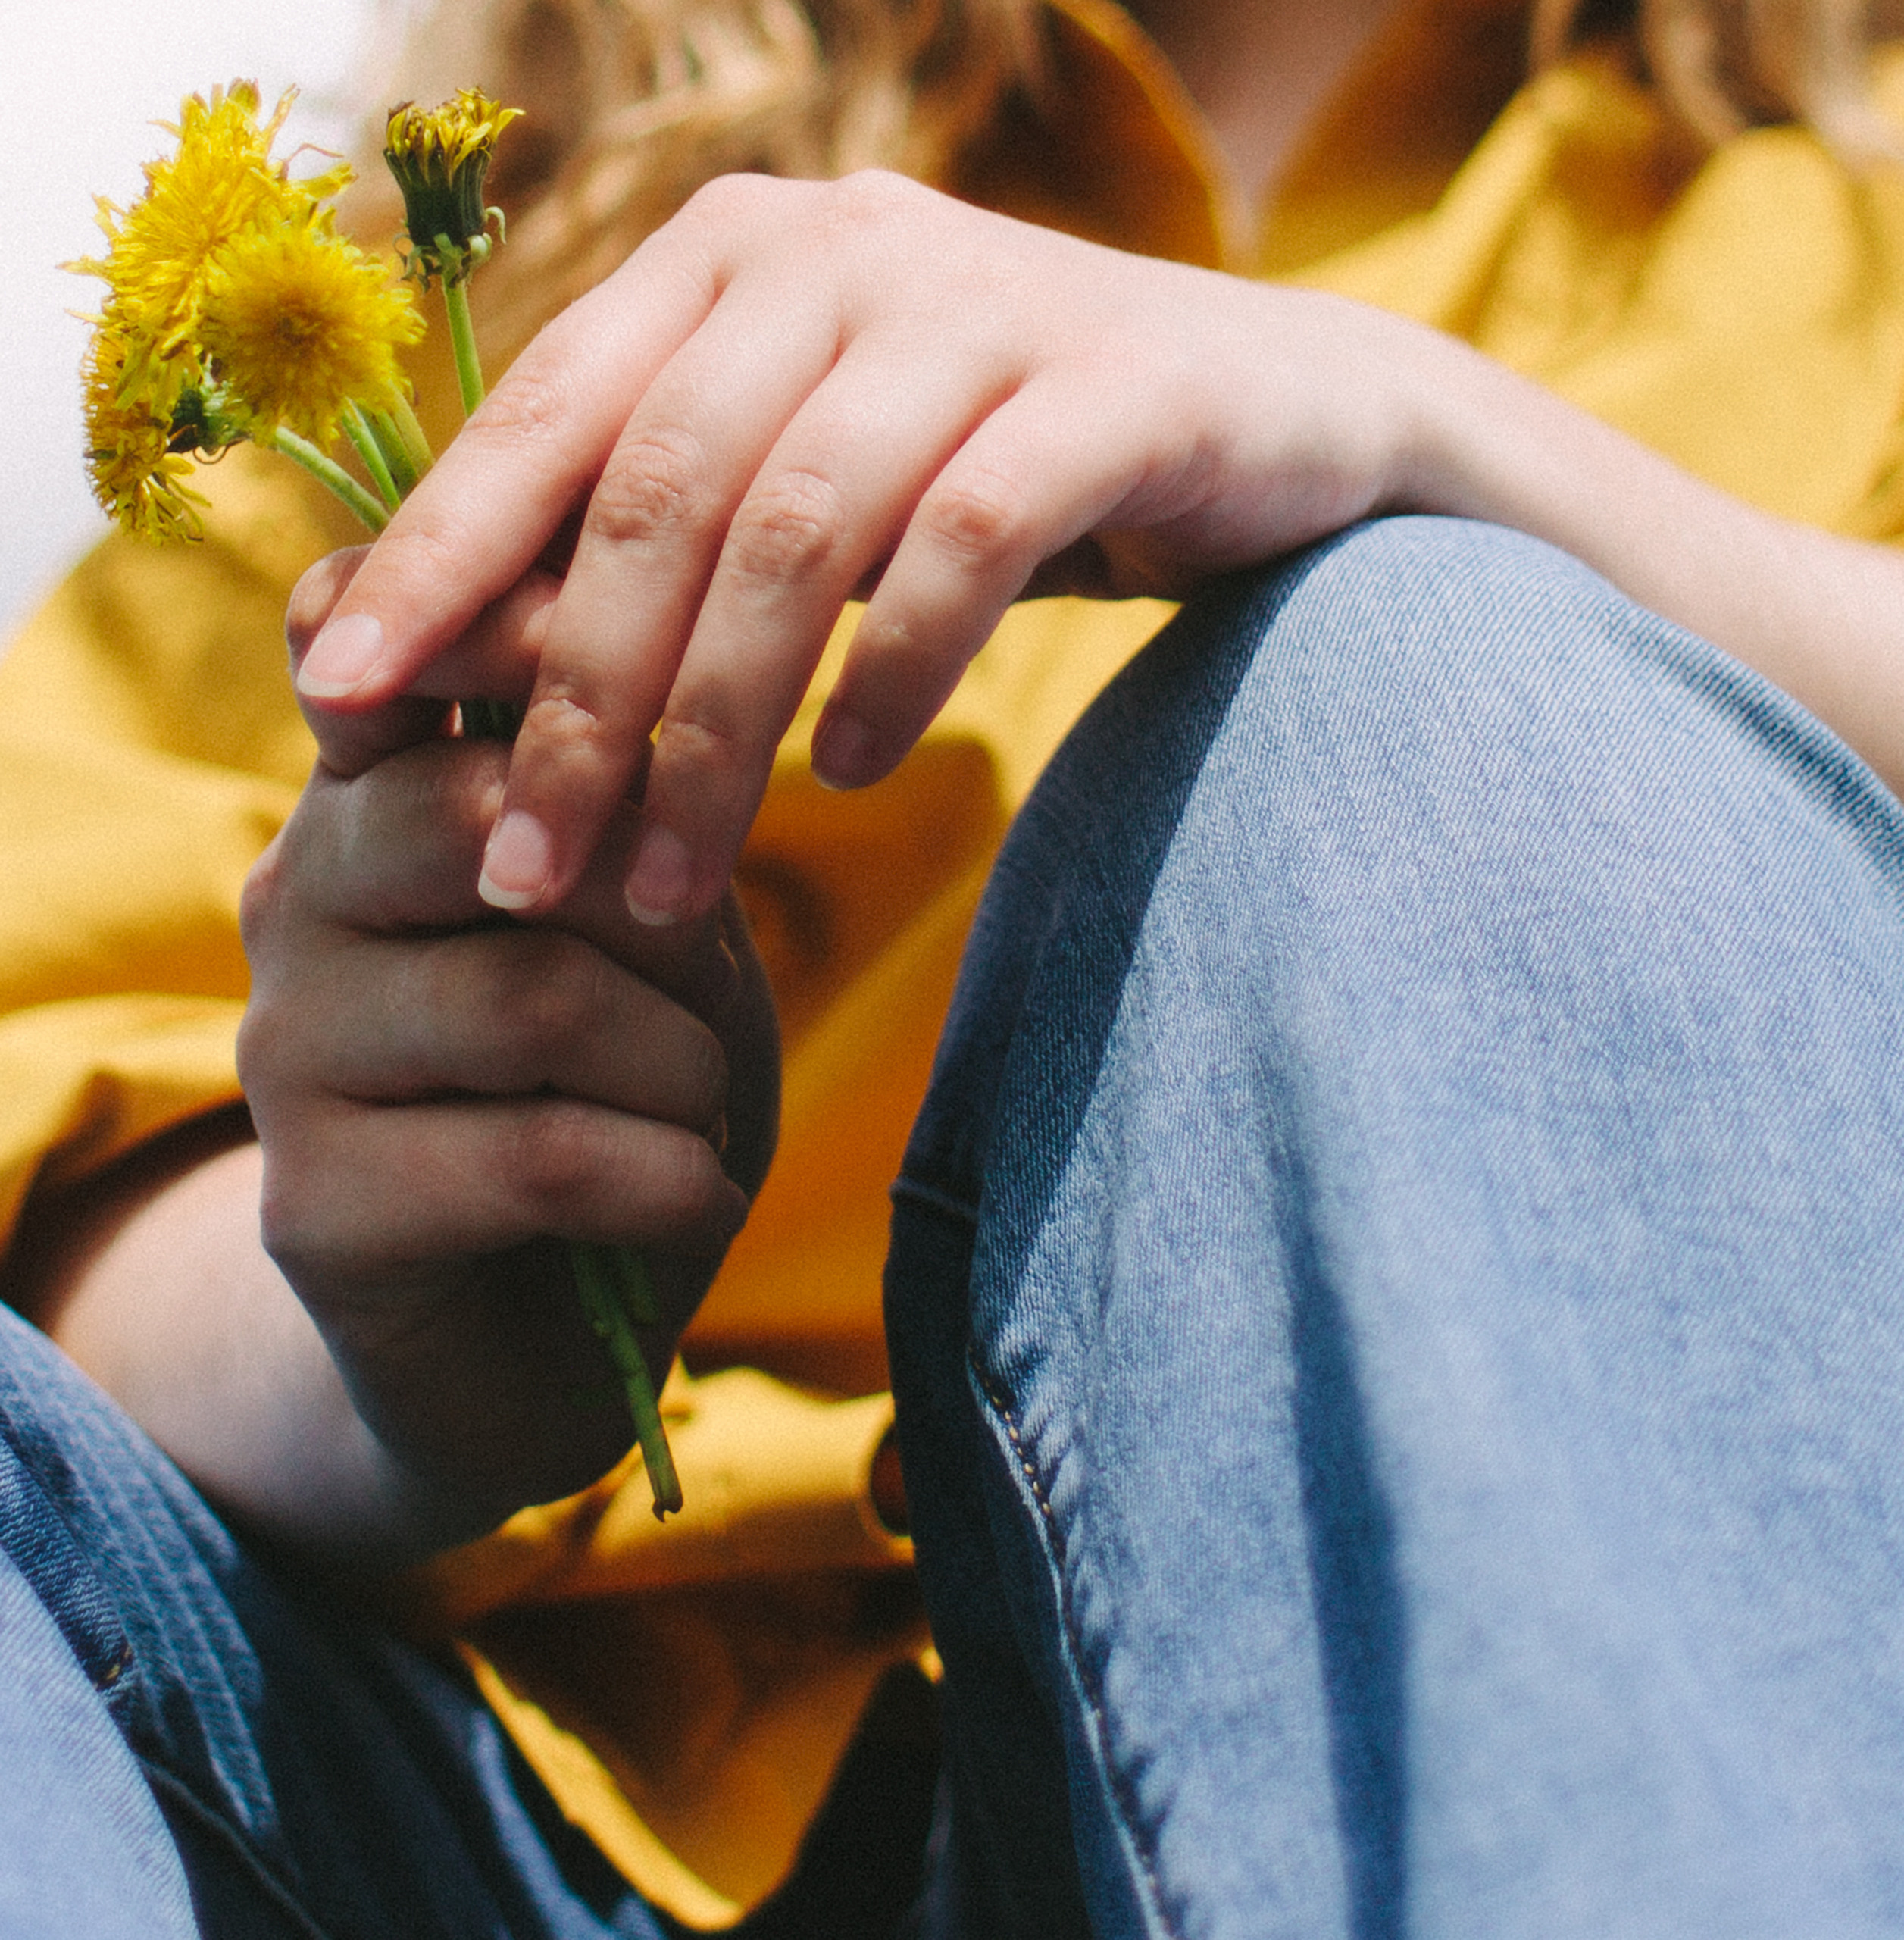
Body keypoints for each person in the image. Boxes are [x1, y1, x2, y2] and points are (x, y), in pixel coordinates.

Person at [5, 0, 1904, 1932]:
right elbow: (54, 1093)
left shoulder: (1859, 189)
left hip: (1422, 1726)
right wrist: (394, 1347)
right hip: (460, 1763)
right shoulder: (486, 241)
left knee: (1412, 673)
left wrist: (1428, 431)